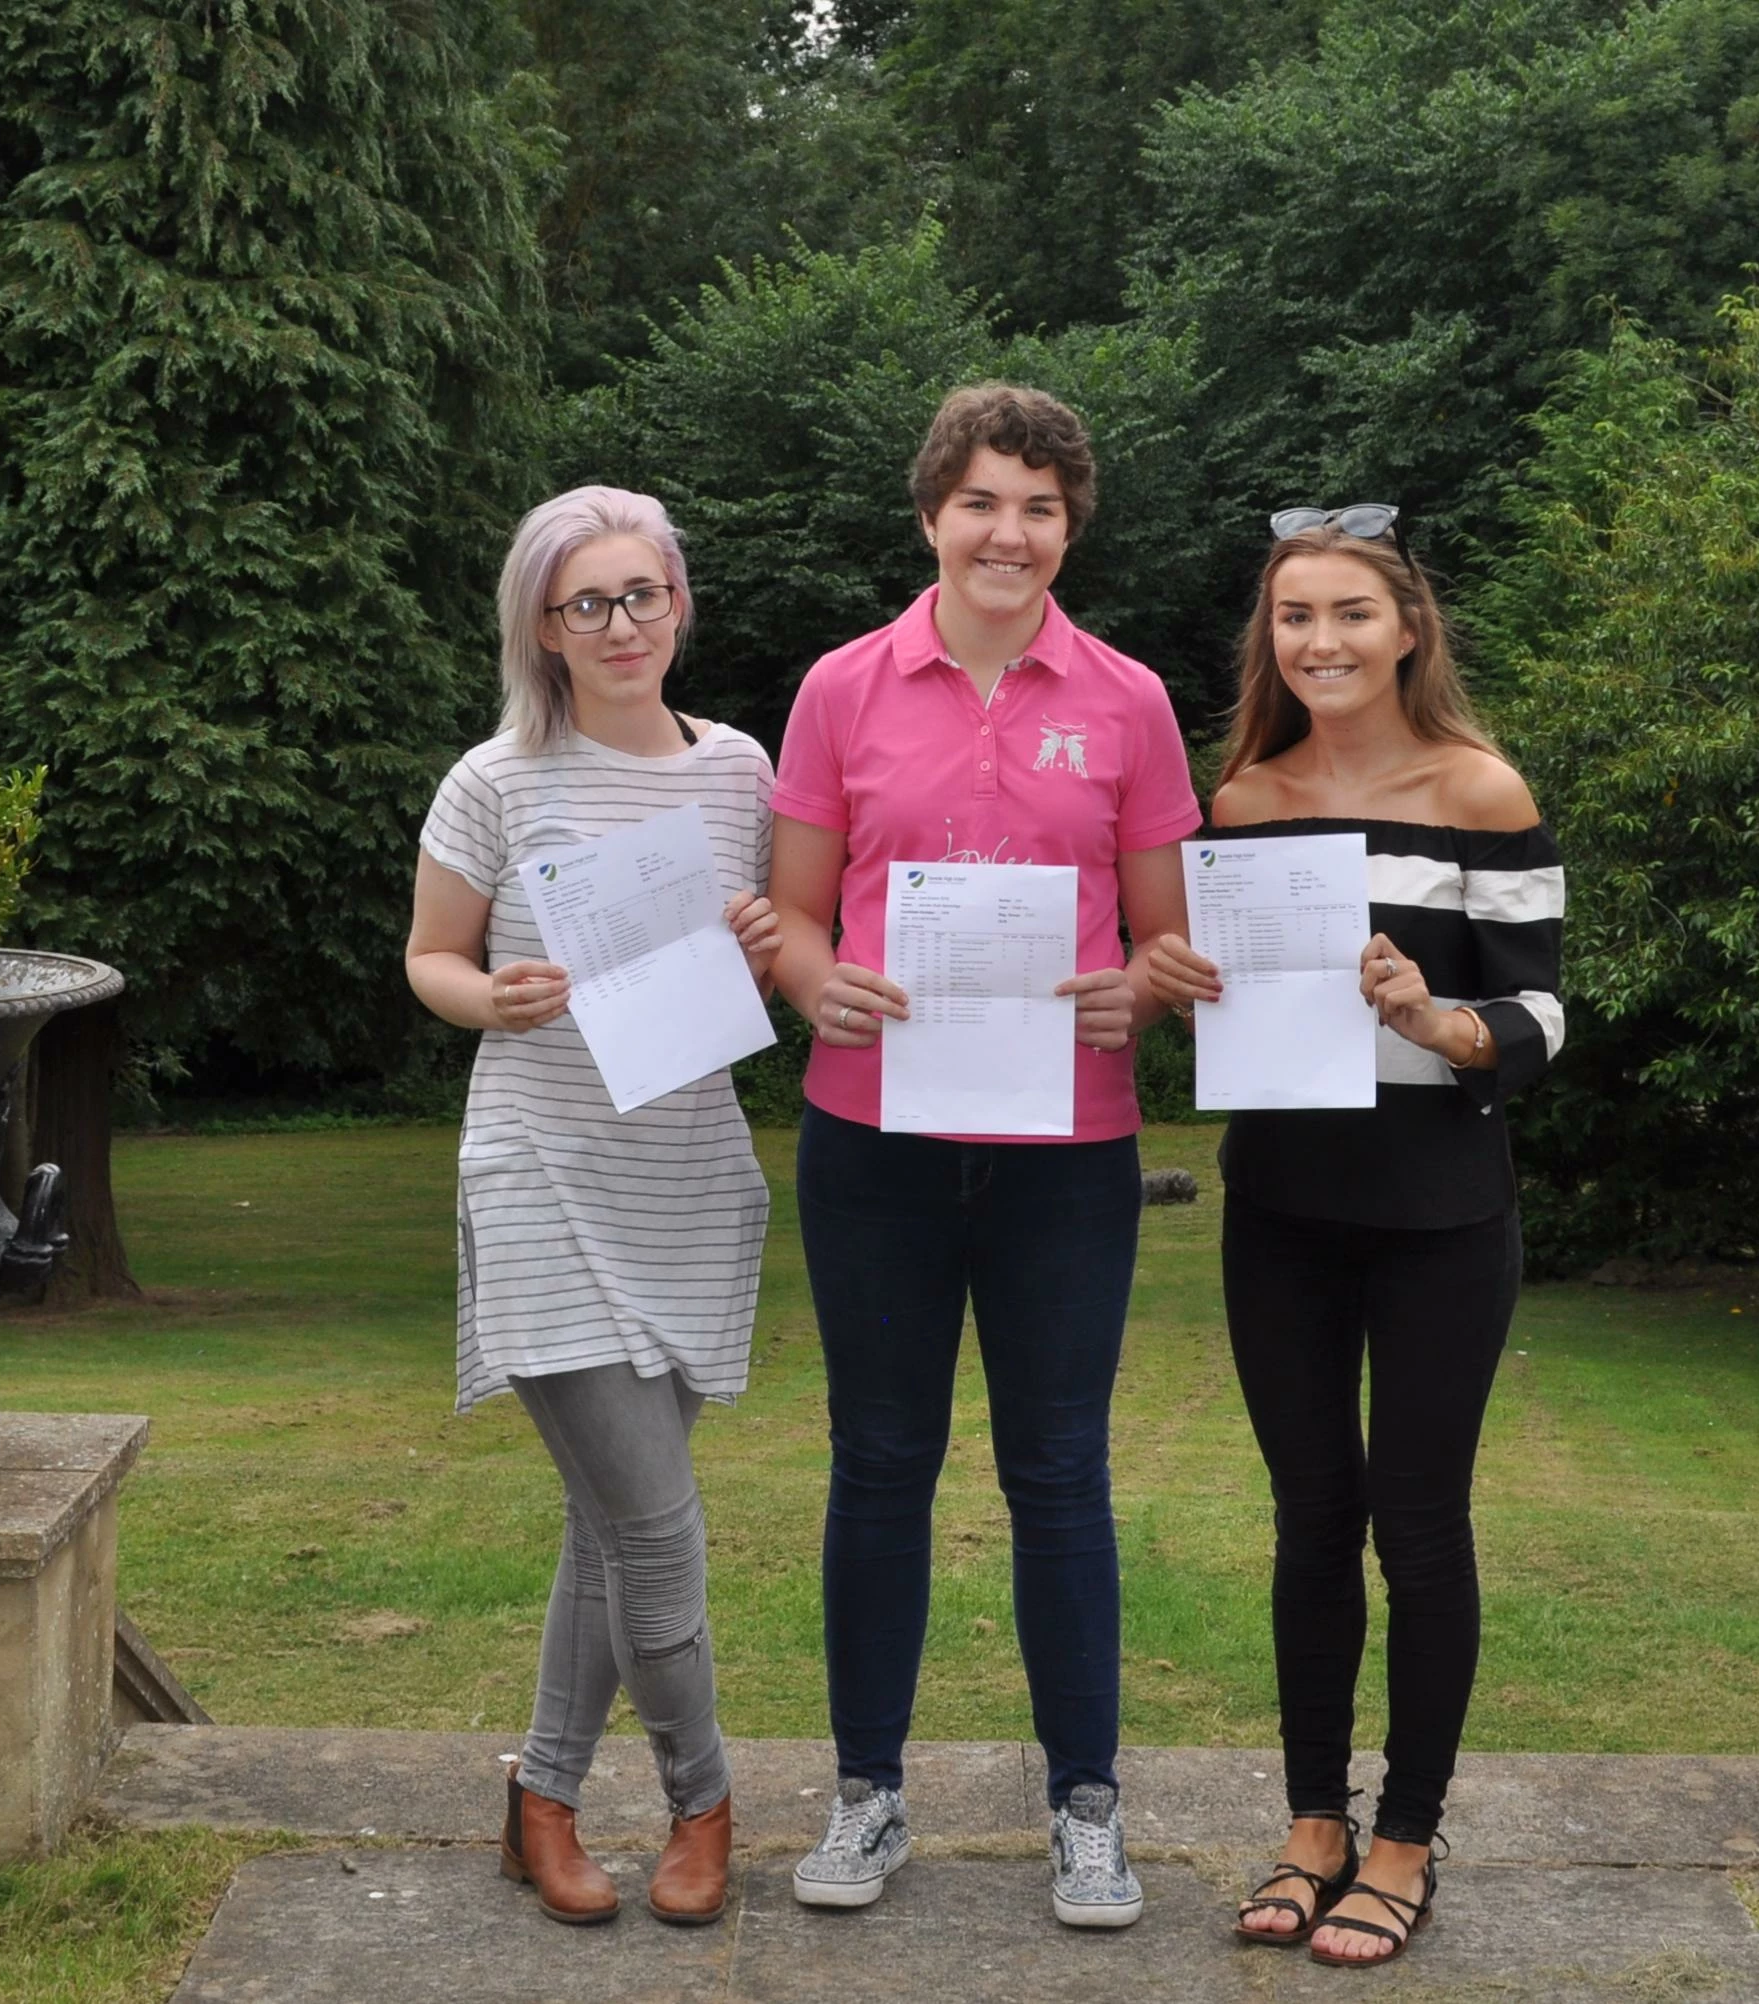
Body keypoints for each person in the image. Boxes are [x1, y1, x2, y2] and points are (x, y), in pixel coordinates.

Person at [766, 383, 1200, 1929]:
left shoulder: (1131, 700)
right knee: (879, 1467)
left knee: (1059, 1475)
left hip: (1068, 1151)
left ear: (1070, 527)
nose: (1008, 532)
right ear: (932, 514)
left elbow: (1169, 938)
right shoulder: (842, 689)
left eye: (1040, 507)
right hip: (871, 1139)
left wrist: (1140, 987)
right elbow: (799, 915)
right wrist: (816, 981)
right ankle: (867, 1794)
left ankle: (1087, 1803)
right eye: (982, 502)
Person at [1140, 505, 1562, 1970]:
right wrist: (1187, 981)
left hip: (1443, 1213)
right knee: (1312, 1520)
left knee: (1420, 1526)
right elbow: (1221, 1003)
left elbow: (1544, 1012)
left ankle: (1405, 1841)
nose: (1318, 641)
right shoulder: (1244, 802)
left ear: (1408, 630)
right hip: (1285, 1211)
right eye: (1293, 618)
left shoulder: (1481, 791)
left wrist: (1438, 1019)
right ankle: (1312, 1822)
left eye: (1348, 615)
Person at [405, 486, 783, 1930]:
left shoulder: (741, 773)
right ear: (543, 632)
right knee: (657, 1524)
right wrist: (483, 995)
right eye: (587, 605)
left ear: (679, 604)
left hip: (684, 1175)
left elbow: (742, 972)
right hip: (541, 1169)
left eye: (643, 595)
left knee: (605, 1527)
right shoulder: (495, 780)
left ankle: (542, 1800)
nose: (621, 624)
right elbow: (430, 958)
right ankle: (705, 1802)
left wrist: (760, 945)